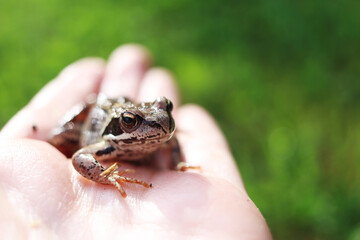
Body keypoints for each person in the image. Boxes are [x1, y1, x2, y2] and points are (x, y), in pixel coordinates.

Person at [0, 44, 272, 239]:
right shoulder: (107, 145)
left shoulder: (164, 136)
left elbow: (171, 140)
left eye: (166, 111)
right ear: (124, 124)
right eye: (131, 122)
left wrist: (178, 165)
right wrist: (104, 177)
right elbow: (81, 157)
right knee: (60, 138)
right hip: (101, 115)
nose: (159, 125)